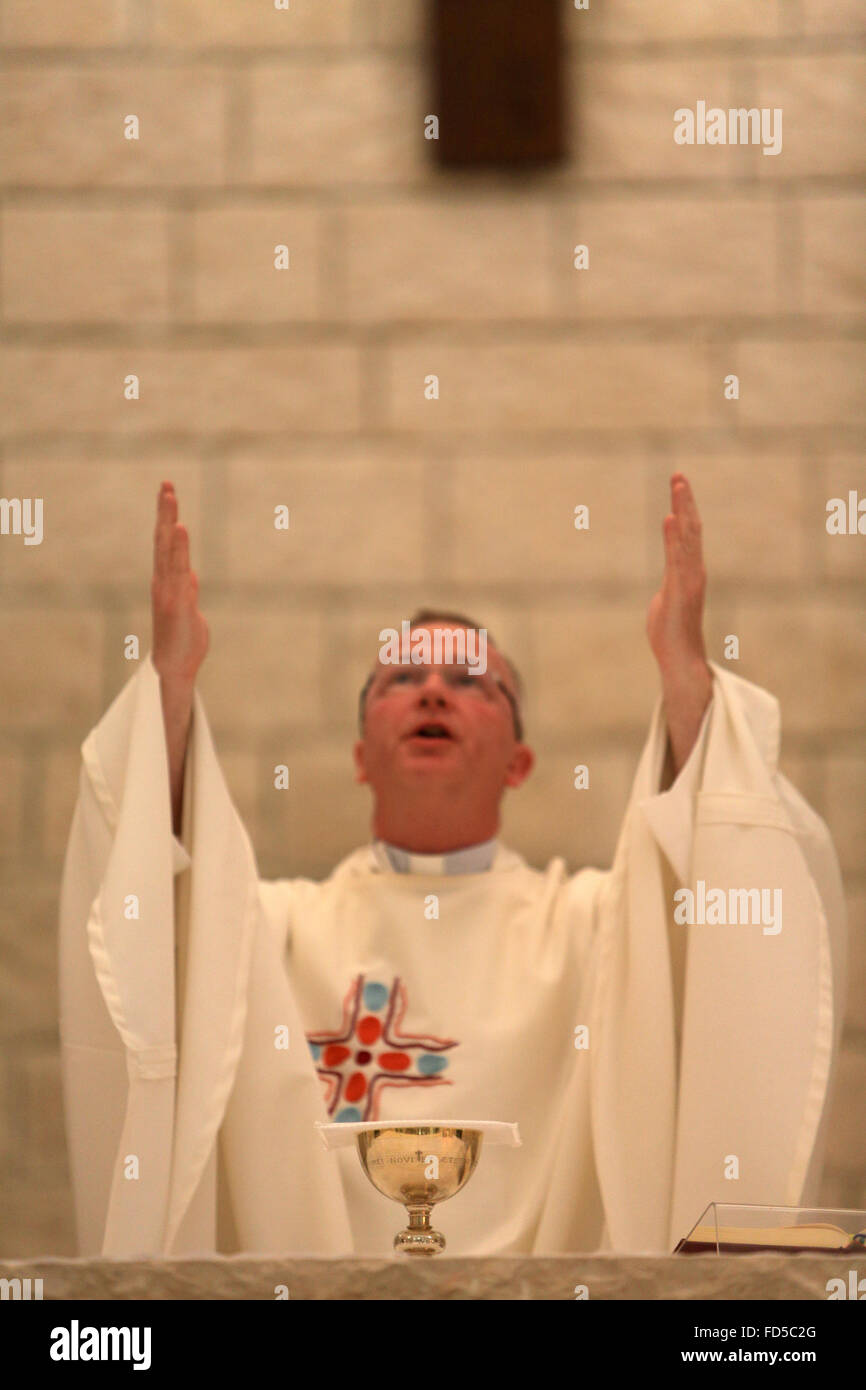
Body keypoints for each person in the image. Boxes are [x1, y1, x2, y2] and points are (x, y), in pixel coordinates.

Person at [58, 475, 847, 1257]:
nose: (433, 690)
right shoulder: (273, 931)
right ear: (361, 756)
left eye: (471, 682)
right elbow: (155, 912)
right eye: (403, 677)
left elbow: (711, 906)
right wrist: (169, 692)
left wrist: (689, 689)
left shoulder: (596, 927)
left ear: (519, 760)